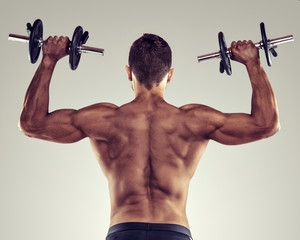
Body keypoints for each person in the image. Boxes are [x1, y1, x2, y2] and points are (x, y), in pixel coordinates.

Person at [19, 33, 280, 240]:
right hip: (174, 232)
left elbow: (32, 124)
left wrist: (49, 60)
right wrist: (252, 62)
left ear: (129, 72)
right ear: (170, 74)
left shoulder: (104, 119)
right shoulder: (193, 120)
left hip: (124, 231)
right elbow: (266, 124)